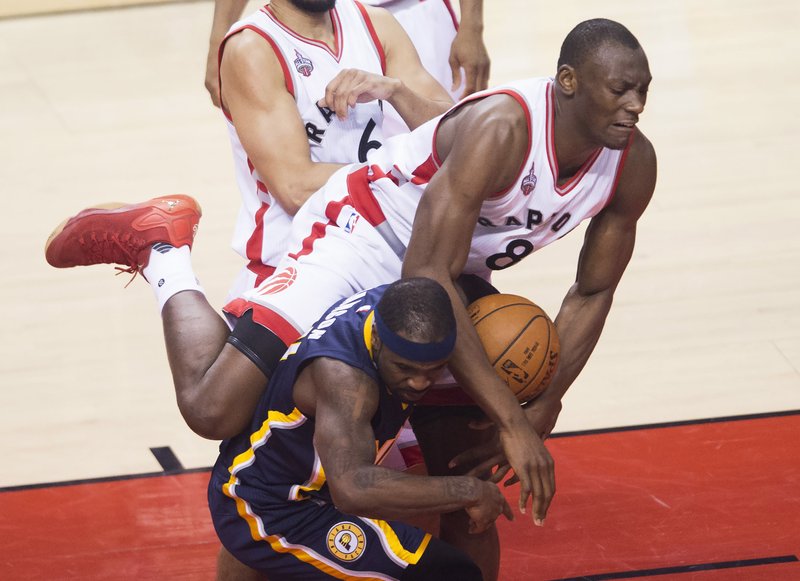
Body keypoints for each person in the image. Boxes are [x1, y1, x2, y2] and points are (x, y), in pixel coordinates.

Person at [45, 18, 656, 580]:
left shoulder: (632, 163)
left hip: (446, 271)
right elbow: (425, 271)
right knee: (214, 409)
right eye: (620, 90)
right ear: (569, 82)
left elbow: (594, 288)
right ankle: (163, 249)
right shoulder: (505, 127)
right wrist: (512, 418)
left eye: (642, 91)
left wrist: (542, 407)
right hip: (362, 237)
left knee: (463, 471)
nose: (634, 106)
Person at [209, 277, 508, 579]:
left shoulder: (408, 307)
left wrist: (520, 419)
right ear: (377, 337)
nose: (419, 382)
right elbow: (353, 489)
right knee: (446, 572)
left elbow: (470, 293)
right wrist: (469, 490)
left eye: (433, 370)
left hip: (312, 491)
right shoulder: (344, 379)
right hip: (266, 509)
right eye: (405, 369)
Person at [216, 0, 453, 298]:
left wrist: (397, 92)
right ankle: (170, 267)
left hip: (383, 244)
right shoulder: (252, 48)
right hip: (296, 260)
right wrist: (401, 173)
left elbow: (457, 134)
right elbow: (296, 188)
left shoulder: (376, 23)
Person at [204, 0, 490, 126]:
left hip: (419, 13)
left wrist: (473, 24)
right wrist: (220, 40)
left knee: (446, 137)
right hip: (320, 17)